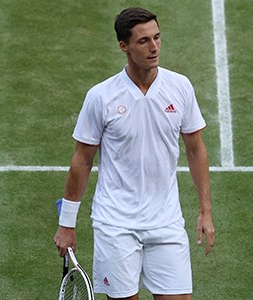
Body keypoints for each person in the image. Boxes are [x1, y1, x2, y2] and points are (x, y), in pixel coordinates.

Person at [53, 7, 215, 300]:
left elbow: (196, 149)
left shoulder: (180, 87)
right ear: (123, 46)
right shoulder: (101, 96)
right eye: (143, 41)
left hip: (166, 222)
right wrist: (67, 223)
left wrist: (205, 210)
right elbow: (82, 160)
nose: (154, 47)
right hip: (115, 223)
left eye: (157, 38)